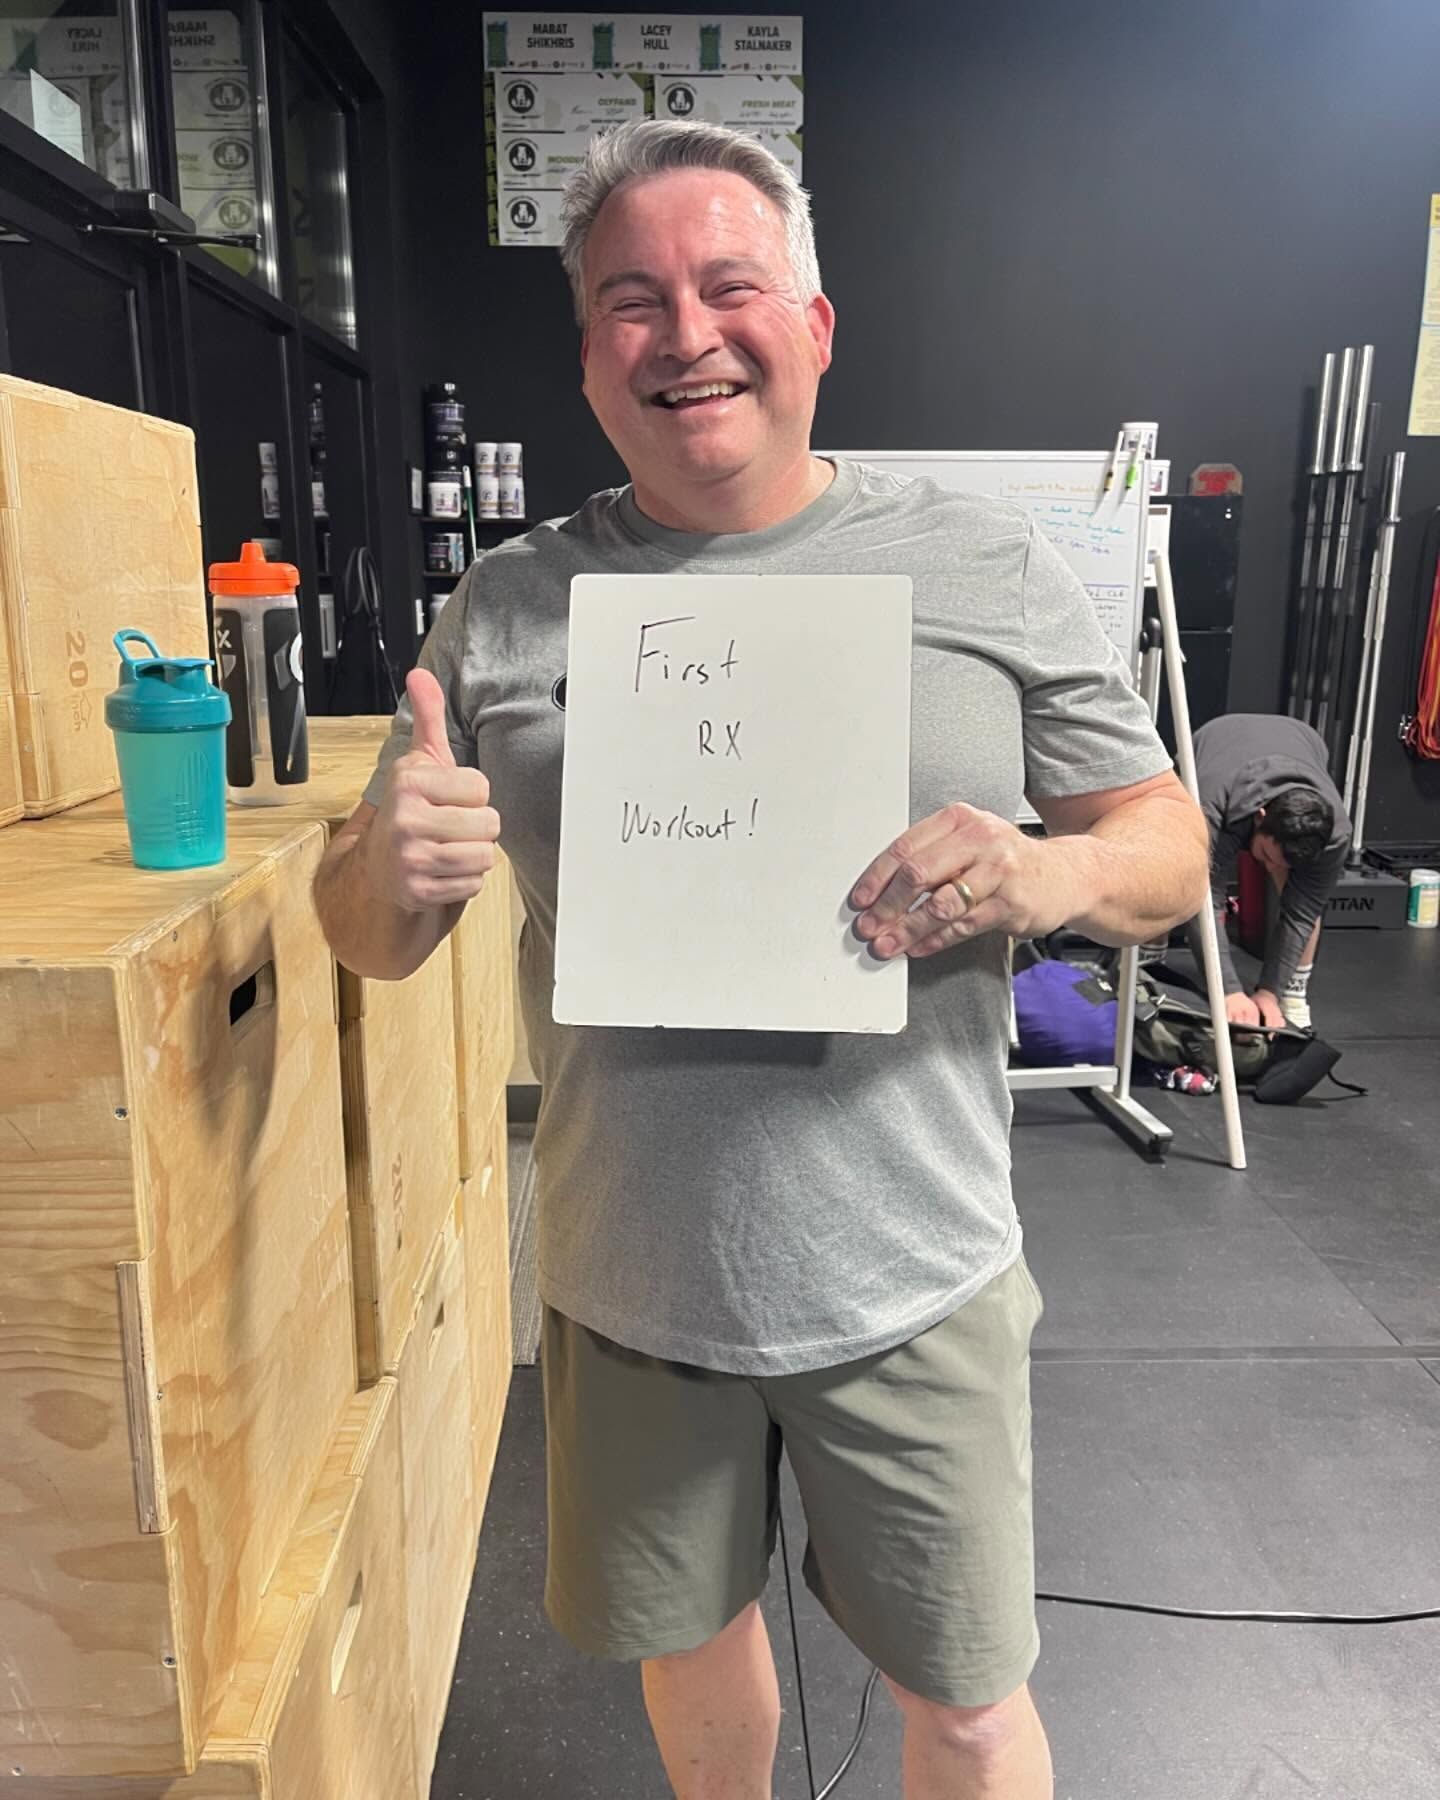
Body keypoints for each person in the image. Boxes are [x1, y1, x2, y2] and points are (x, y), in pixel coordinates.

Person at [314, 120, 1209, 1800]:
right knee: (691, 1648)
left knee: (961, 1699)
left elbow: (1166, 843)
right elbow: (368, 939)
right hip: (631, 1277)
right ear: (587, 353)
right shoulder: (507, 602)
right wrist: (386, 869)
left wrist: (1050, 869)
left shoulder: (980, 567)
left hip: (912, 1272)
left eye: (731, 285)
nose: (687, 334)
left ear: (814, 323)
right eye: (632, 301)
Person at [1187, 713, 1351, 1033]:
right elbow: (1203, 901)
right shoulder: (1209, 806)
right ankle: (1148, 961)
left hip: (1301, 741)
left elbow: (1301, 914)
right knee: (1177, 874)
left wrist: (1269, 992)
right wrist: (1229, 991)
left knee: (1300, 897)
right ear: (1260, 818)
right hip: (1215, 742)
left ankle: (1293, 993)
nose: (1270, 869)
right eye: (1266, 855)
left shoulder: (1336, 834)